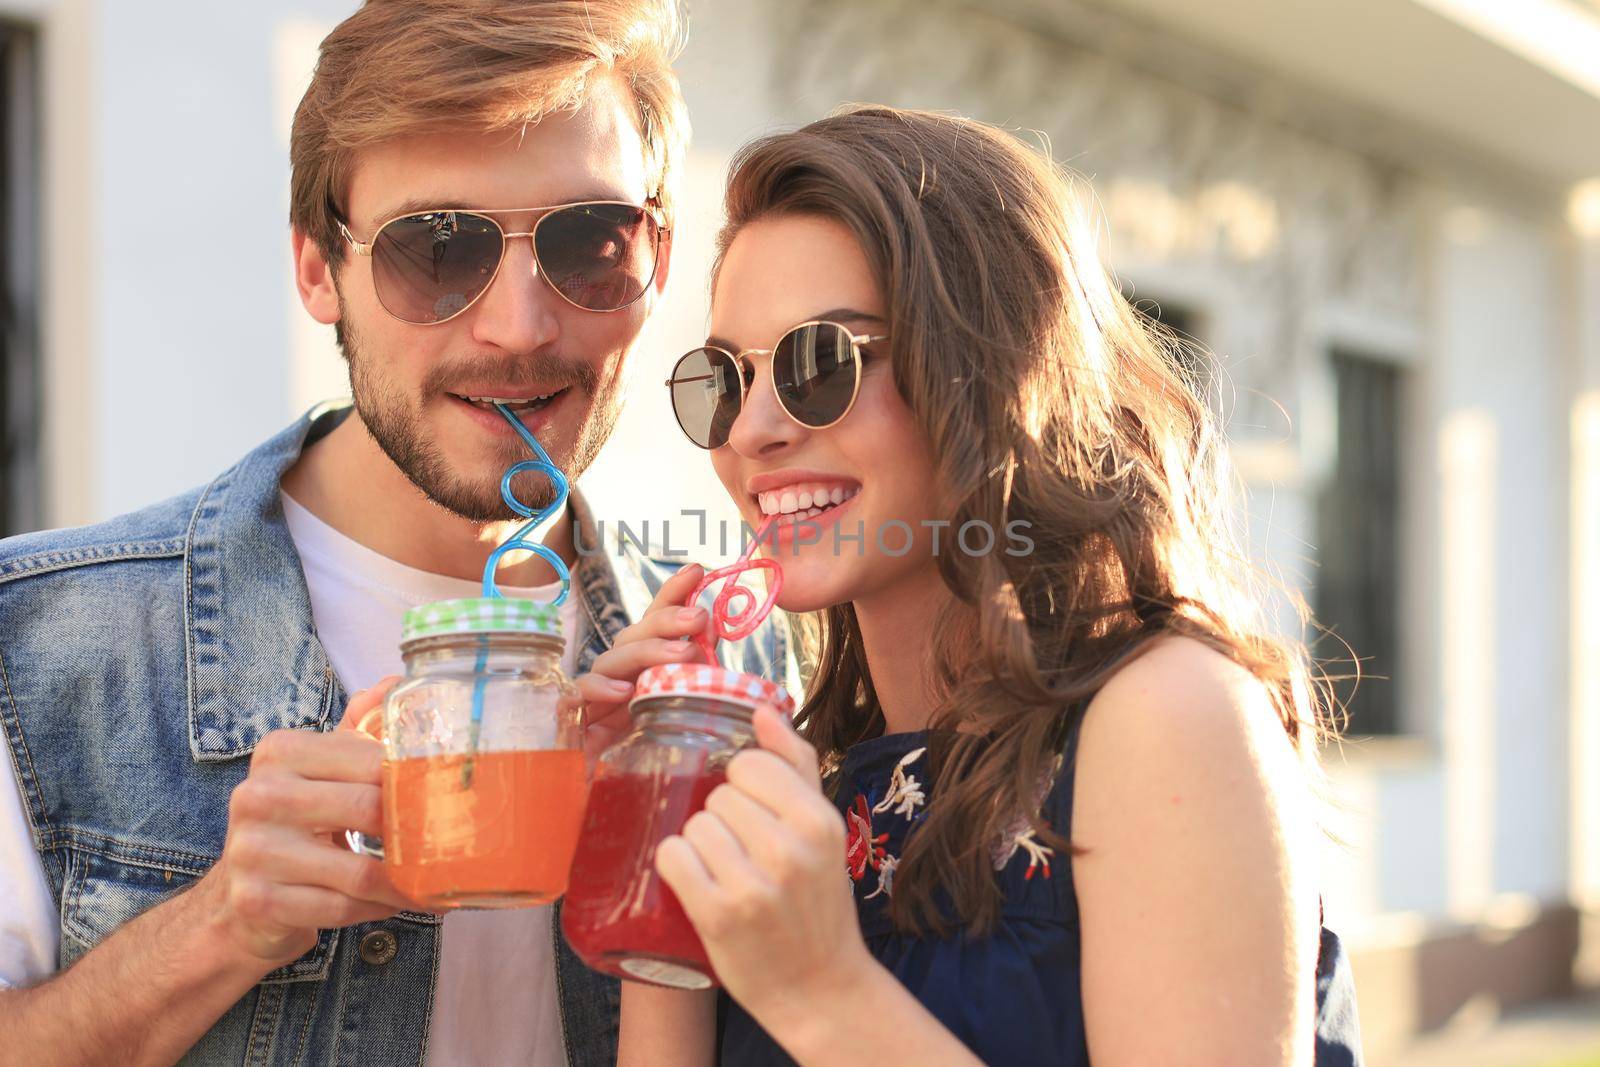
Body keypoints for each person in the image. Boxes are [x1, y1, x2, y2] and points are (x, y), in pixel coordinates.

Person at [0, 2, 789, 1064]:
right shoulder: (39, 643)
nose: (519, 325)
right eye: (436, 248)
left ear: (657, 255)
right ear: (319, 269)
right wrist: (220, 923)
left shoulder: (745, 656)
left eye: (590, 242)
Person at [588, 106, 1364, 1065]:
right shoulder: (814, 775)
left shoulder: (1168, 716)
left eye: (819, 361)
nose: (752, 432)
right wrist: (653, 815)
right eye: (724, 378)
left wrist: (820, 990)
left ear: (986, 369)